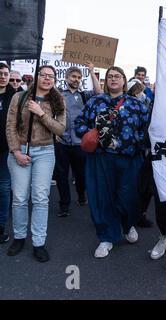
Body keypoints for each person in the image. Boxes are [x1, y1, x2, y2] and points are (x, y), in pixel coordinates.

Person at [75, 66, 150, 258]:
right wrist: (90, 135)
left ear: (125, 81)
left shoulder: (137, 104)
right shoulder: (95, 102)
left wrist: (136, 142)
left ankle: (127, 225)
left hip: (128, 159)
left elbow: (146, 128)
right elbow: (79, 124)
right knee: (102, 198)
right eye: (110, 77)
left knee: (128, 197)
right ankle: (106, 237)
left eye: (117, 76)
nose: (113, 79)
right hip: (100, 159)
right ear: (105, 81)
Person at [5, 65, 66, 262]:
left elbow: (60, 129)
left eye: (52, 76)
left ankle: (39, 242)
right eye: (44, 75)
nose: (48, 79)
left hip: (46, 152)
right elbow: (10, 126)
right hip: (20, 151)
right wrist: (16, 151)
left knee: (40, 198)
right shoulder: (19, 97)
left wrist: (41, 113)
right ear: (36, 77)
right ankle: (19, 237)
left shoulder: (58, 100)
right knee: (20, 198)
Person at [55, 62, 102, 217]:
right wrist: (54, 131)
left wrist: (91, 72)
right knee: (62, 176)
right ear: (66, 77)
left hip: (80, 143)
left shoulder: (84, 95)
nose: (76, 79)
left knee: (80, 175)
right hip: (62, 141)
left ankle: (81, 195)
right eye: (73, 76)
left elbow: (99, 92)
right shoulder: (58, 94)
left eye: (79, 77)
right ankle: (64, 205)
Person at [126, 78, 154, 228]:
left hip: (145, 151)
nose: (142, 94)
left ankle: (140, 214)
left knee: (145, 186)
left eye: (142, 90)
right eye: (139, 91)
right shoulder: (125, 107)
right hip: (131, 152)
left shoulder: (148, 107)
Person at [0, 62, 17, 243]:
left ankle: (1, 226)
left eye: (6, 74)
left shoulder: (14, 96)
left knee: (4, 188)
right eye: (1, 74)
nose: (3, 77)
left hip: (6, 149)